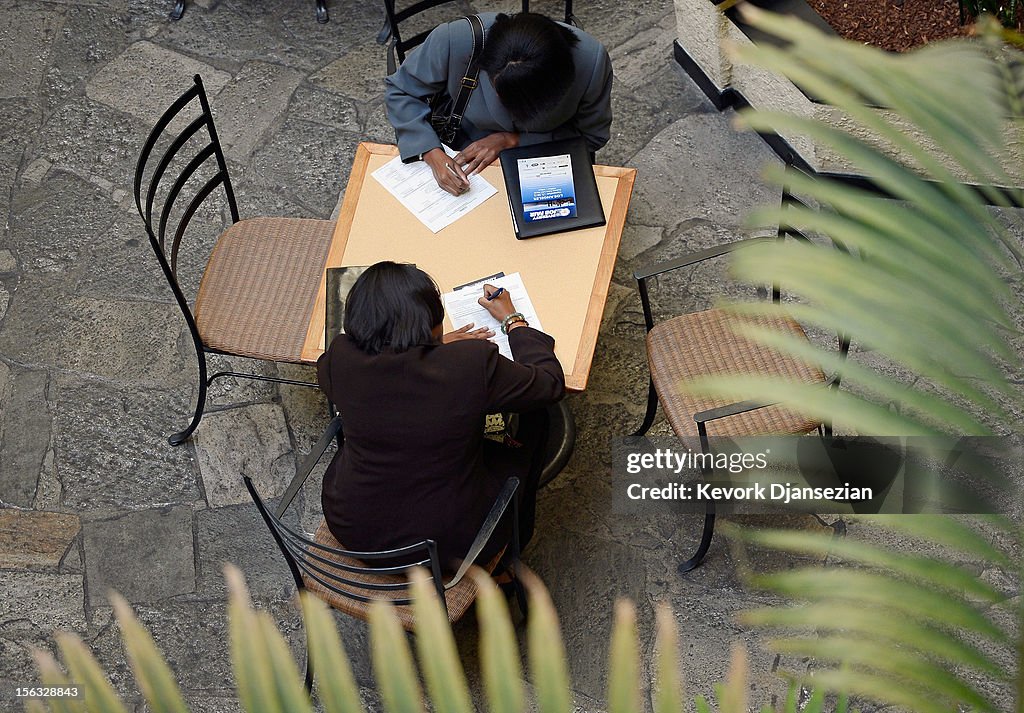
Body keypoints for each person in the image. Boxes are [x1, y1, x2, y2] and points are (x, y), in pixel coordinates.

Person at [317, 261, 565, 572]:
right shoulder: (468, 364)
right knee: (539, 417)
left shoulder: (338, 358)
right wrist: (514, 321)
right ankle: (513, 545)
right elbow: (549, 384)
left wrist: (428, 346)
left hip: (355, 526)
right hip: (450, 545)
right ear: (432, 324)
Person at [385, 11, 613, 196]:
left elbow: (592, 136)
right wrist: (431, 152)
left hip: (543, 158)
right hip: (463, 149)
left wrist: (512, 139)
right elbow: (402, 90)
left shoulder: (591, 62)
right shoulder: (457, 40)